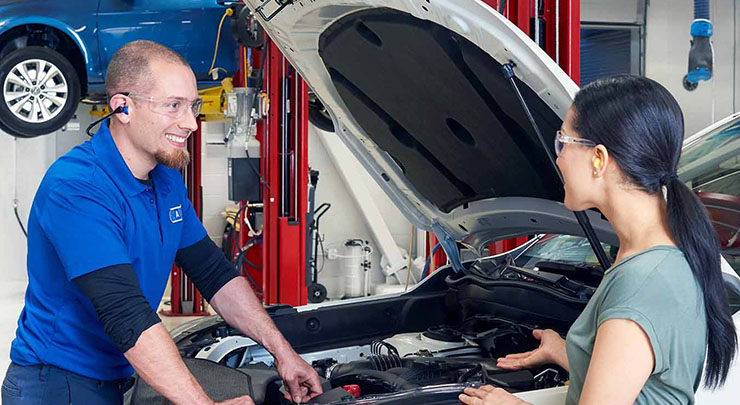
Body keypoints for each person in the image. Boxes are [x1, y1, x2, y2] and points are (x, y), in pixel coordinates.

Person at [1, 40, 322, 405]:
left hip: (119, 375)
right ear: (123, 107)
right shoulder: (77, 188)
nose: (190, 123)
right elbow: (124, 311)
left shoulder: (165, 178)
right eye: (173, 106)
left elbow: (214, 274)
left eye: (193, 106)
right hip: (55, 386)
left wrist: (284, 353)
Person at [459, 75, 737, 405]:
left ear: (599, 158)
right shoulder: (653, 254)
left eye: (563, 142)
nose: (558, 157)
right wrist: (564, 351)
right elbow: (639, 377)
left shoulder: (643, 285)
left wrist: (510, 404)